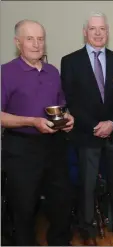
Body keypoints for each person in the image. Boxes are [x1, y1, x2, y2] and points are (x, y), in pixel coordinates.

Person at [60, 12, 113, 245]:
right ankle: (88, 231)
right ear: (85, 32)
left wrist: (112, 123)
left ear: (107, 31)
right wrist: (94, 125)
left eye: (102, 28)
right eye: (93, 28)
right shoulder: (70, 61)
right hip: (86, 134)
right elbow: (69, 100)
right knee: (87, 186)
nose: (98, 33)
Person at [1, 20, 74, 246]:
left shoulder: (52, 71)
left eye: (40, 39)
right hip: (21, 149)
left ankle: (60, 242)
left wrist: (68, 117)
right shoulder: (5, 72)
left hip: (54, 146)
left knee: (62, 202)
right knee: (23, 207)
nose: (36, 44)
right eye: (30, 39)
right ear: (17, 42)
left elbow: (61, 105)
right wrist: (32, 121)